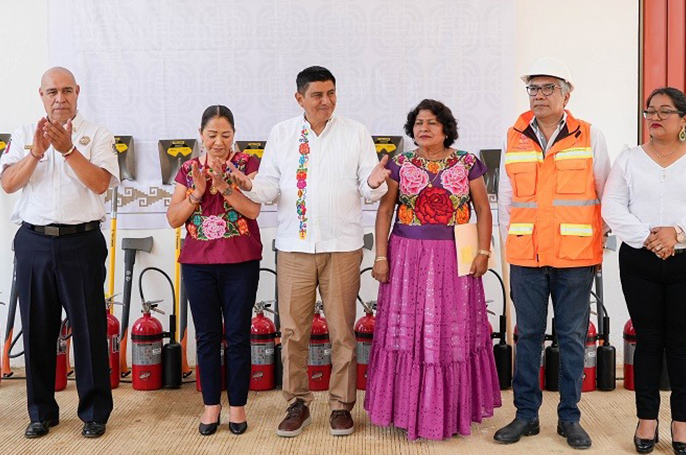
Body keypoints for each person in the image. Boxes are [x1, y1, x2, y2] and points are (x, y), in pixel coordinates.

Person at [229, 65, 389, 438]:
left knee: (341, 332)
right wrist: (249, 183)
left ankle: (340, 406)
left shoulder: (356, 132)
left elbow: (369, 187)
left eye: (331, 93)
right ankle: (297, 402)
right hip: (294, 248)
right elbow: (269, 188)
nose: (326, 101)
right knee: (294, 331)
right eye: (317, 95)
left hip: (343, 247)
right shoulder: (282, 133)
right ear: (299, 98)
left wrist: (374, 181)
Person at [363, 99, 501, 440]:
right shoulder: (400, 163)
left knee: (446, 332)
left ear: (446, 129)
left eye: (432, 123)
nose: (424, 129)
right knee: (409, 330)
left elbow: (483, 210)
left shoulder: (468, 162)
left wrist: (483, 252)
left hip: (455, 256)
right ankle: (403, 410)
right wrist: (380, 258)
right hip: (407, 256)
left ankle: (450, 412)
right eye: (419, 123)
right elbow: (385, 213)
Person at [603, 87, 686, 455]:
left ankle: (682, 422)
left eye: (665, 111)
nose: (655, 117)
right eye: (650, 111)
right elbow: (613, 205)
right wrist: (648, 238)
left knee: (680, 343)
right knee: (648, 340)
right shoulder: (629, 159)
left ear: (685, 119)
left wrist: (678, 233)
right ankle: (646, 419)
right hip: (640, 261)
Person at [493, 57, 610, 450]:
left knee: (572, 337)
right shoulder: (513, 135)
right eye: (533, 89)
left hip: (575, 257)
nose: (539, 96)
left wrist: (600, 246)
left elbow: (605, 194)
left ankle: (569, 418)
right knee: (527, 335)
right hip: (527, 256)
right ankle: (525, 415)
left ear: (566, 94)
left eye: (548, 88)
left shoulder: (590, 136)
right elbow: (506, 200)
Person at [0, 67, 119, 439]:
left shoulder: (96, 134)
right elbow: (8, 183)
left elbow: (100, 184)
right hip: (33, 241)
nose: (59, 98)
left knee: (88, 328)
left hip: (81, 243)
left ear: (78, 92)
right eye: (52, 91)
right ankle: (40, 412)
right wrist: (37, 152)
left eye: (66, 90)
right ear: (41, 95)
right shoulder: (24, 134)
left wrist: (67, 150)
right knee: (36, 327)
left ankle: (95, 411)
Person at [166, 105, 262, 436]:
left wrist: (224, 187)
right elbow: (174, 218)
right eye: (212, 135)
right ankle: (210, 406)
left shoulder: (249, 165)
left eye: (225, 135)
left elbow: (253, 210)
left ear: (234, 135)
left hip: (241, 264)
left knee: (237, 336)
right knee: (206, 337)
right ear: (201, 135)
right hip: (198, 265)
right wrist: (197, 193)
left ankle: (237, 406)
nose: (218, 141)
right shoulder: (189, 168)